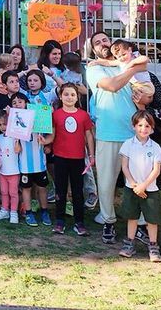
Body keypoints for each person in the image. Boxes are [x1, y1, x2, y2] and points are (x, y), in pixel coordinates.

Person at [86, 31, 145, 244]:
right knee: (106, 181)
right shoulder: (93, 69)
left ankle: (139, 223)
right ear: (93, 49)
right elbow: (111, 86)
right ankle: (108, 220)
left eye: (105, 40)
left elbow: (144, 91)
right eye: (97, 42)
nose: (103, 44)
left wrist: (130, 68)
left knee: (137, 180)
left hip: (134, 133)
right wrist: (130, 69)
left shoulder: (126, 62)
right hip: (108, 133)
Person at [44, 83, 94, 236]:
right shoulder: (56, 114)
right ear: (60, 96)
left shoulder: (83, 115)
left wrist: (91, 155)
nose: (69, 97)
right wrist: (44, 141)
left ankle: (79, 222)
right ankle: (60, 221)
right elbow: (52, 135)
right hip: (60, 158)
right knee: (61, 190)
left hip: (78, 158)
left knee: (78, 192)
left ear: (77, 97)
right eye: (66, 94)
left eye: (72, 95)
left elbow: (88, 136)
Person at [118, 111, 161, 262]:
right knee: (132, 217)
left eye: (147, 126)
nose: (143, 129)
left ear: (152, 128)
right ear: (134, 126)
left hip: (150, 189)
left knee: (152, 219)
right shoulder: (127, 144)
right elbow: (124, 166)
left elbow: (156, 170)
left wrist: (144, 185)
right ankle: (129, 243)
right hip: (132, 188)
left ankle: (153, 246)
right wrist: (133, 183)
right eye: (140, 125)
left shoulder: (155, 147)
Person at [12, 93, 50, 227]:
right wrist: (16, 141)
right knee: (26, 189)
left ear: (27, 103)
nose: (17, 104)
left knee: (42, 188)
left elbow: (47, 137)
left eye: (20, 101)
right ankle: (29, 213)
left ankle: (45, 211)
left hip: (39, 163)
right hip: (25, 166)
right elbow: (17, 150)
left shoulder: (37, 118)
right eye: (14, 103)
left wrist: (45, 142)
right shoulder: (14, 124)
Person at [87, 39, 155, 99]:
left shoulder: (134, 56)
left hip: (144, 83)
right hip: (135, 86)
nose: (122, 58)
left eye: (124, 54)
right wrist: (97, 62)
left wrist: (132, 63)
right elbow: (108, 63)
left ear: (130, 50)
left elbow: (145, 59)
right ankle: (141, 112)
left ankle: (142, 111)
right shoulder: (120, 62)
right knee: (136, 100)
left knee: (139, 98)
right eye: (119, 56)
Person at [0, 110, 21, 224]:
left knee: (13, 192)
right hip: (2, 171)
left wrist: (17, 141)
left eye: (4, 124)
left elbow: (17, 150)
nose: (2, 127)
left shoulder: (15, 136)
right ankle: (5, 209)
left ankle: (14, 212)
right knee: (4, 191)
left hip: (14, 171)